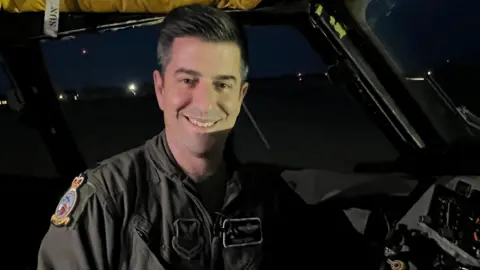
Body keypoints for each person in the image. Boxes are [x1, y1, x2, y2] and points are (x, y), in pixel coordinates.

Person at [37, 4, 319, 270]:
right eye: (188, 80)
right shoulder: (106, 201)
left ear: (240, 96)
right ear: (160, 89)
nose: (205, 103)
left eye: (222, 84)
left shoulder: (268, 199)